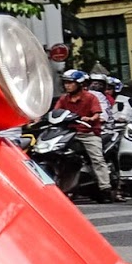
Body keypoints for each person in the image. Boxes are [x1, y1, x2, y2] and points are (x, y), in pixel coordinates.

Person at [51, 69, 115, 199]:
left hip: (88, 133)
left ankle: (105, 187)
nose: (67, 85)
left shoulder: (91, 97)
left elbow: (97, 113)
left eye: (70, 83)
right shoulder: (64, 99)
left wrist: (90, 119)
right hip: (69, 133)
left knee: (97, 158)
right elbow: (55, 112)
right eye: (65, 83)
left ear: (79, 84)